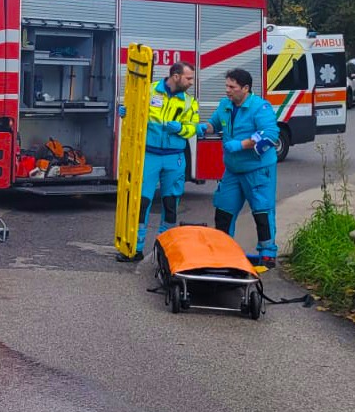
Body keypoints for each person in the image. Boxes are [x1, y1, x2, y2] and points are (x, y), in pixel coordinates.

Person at [116, 61, 201, 262]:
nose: (191, 82)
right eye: (188, 78)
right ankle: (134, 249)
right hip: (149, 155)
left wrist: (180, 129)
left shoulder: (189, 102)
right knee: (141, 203)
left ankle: (165, 250)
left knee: (170, 203)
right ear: (176, 76)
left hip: (174, 157)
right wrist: (126, 113)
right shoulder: (149, 91)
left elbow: (194, 128)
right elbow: (134, 110)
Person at [200, 67, 281, 268]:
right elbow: (215, 124)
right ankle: (223, 252)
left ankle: (268, 254)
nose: (227, 90)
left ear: (245, 88)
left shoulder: (260, 108)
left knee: (262, 212)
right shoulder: (225, 105)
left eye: (232, 87)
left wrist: (242, 144)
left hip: (257, 170)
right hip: (233, 170)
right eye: (226, 85)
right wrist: (203, 127)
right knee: (224, 211)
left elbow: (270, 134)